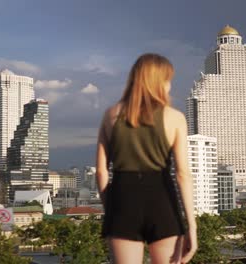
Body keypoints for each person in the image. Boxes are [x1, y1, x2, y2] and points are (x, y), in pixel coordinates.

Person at [96, 53, 197, 264]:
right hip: (163, 202)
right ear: (159, 82)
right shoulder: (175, 117)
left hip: (123, 203)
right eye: (168, 80)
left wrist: (112, 210)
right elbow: (182, 175)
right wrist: (191, 226)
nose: (169, 86)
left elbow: (101, 172)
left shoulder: (111, 115)